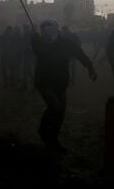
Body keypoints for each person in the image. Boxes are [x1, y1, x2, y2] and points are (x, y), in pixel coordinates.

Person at [32, 20, 97, 153]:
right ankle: (43, 130)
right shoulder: (40, 43)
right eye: (46, 30)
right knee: (55, 107)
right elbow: (38, 51)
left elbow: (79, 53)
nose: (50, 32)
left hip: (61, 83)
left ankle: (53, 140)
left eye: (52, 29)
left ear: (57, 29)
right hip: (44, 82)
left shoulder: (66, 43)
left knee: (61, 113)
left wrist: (90, 67)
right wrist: (35, 40)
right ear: (42, 32)